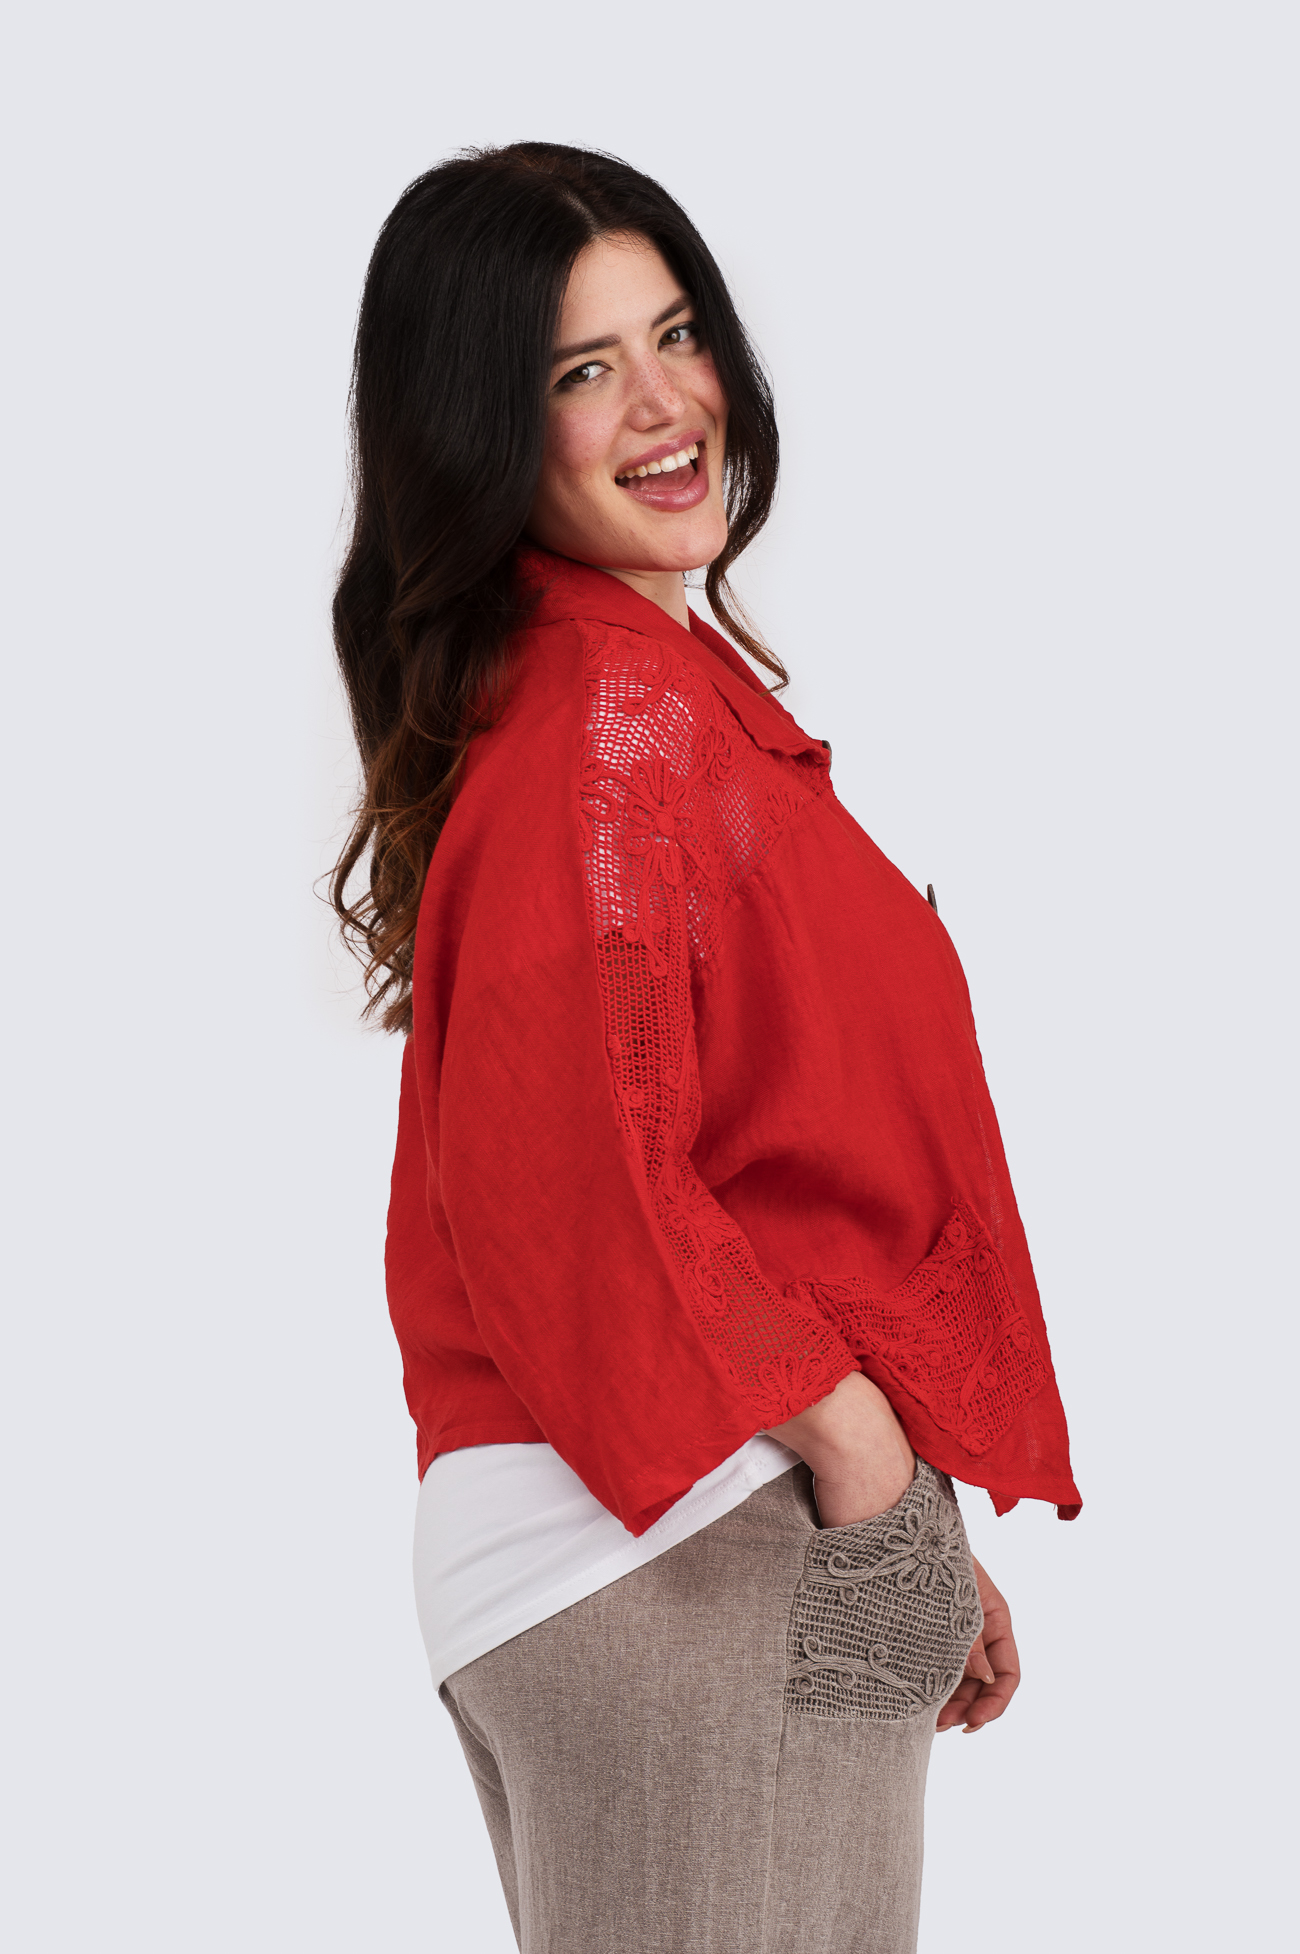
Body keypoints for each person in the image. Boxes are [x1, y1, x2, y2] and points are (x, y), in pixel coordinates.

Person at [331, 141, 1080, 1954]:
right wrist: (862, 1460)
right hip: (677, 1542)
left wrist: (902, 1523)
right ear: (483, 432)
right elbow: (575, 1172)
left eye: (677, 336)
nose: (667, 405)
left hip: (717, 1528)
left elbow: (743, 1163)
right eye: (583, 371)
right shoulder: (606, 727)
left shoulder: (643, 697)